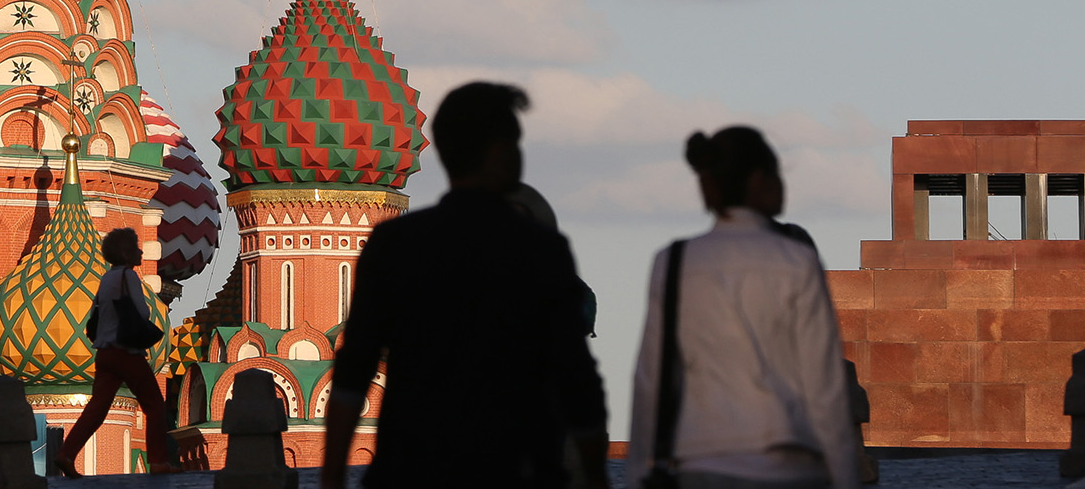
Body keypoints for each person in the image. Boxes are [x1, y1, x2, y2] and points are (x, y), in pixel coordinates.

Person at [323, 83, 607, 489]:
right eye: (514, 143)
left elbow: (355, 370)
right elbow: (576, 377)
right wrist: (596, 477)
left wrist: (331, 476)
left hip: (411, 471)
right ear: (497, 151)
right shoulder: (539, 249)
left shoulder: (396, 244)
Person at [627, 127, 857, 489]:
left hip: (703, 457)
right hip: (790, 461)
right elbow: (824, 384)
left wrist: (639, 468)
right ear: (757, 180)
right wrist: (845, 477)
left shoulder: (672, 263)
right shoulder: (797, 260)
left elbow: (650, 377)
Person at [54, 229, 176, 478]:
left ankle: (66, 453)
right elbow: (141, 313)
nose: (140, 251)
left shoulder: (106, 279)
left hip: (105, 352)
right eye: (135, 247)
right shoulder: (128, 277)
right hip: (126, 352)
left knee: (97, 408)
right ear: (124, 252)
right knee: (154, 406)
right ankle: (159, 461)